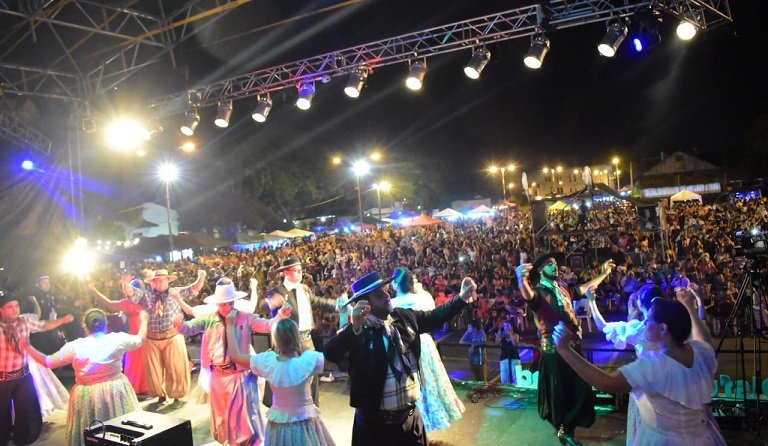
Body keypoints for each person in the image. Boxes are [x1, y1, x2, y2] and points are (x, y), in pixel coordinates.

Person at [323, 272, 477, 446]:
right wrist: (354, 327)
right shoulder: (357, 332)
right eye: (379, 295)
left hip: (410, 419)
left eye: (385, 290)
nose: (387, 296)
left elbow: (434, 317)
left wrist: (462, 297)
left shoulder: (403, 317)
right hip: (375, 429)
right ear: (364, 304)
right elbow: (330, 353)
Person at [552, 295, 726, 445]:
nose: (645, 323)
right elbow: (704, 339)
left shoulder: (653, 365)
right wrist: (690, 308)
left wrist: (564, 349)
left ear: (663, 328)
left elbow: (606, 383)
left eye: (648, 320)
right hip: (704, 437)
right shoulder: (701, 352)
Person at [515, 253, 614, 446]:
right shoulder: (539, 291)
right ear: (540, 269)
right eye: (549, 264)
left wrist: (603, 274)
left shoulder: (563, 288)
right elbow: (529, 296)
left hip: (573, 346)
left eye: (555, 263)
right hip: (554, 350)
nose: (555, 266)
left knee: (582, 387)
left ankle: (566, 427)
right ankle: (565, 429)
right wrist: (521, 280)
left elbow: (584, 288)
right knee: (561, 392)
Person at [173, 278, 287, 446]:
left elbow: (266, 325)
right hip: (218, 375)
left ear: (234, 301)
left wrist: (279, 316)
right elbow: (190, 328)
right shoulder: (208, 318)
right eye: (222, 303)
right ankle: (228, 441)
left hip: (240, 375)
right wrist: (180, 326)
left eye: (229, 303)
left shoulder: (245, 317)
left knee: (244, 418)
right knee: (222, 416)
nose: (226, 307)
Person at [21, 307, 148, 446]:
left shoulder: (75, 346)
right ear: (106, 323)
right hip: (115, 391)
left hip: (87, 395)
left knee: (92, 436)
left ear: (85, 326)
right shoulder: (118, 339)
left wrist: (26, 346)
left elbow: (48, 362)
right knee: (121, 433)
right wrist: (144, 320)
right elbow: (140, 339)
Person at [227, 317, 336, 446]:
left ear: (276, 340)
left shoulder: (268, 362)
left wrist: (230, 326)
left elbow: (235, 356)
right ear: (297, 337)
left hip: (278, 428)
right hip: (304, 425)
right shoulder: (308, 360)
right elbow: (335, 359)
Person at [390, 267, 465, 432]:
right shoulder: (424, 298)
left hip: (406, 346)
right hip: (425, 343)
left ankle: (416, 422)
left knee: (412, 385)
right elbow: (434, 315)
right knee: (431, 382)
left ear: (395, 283)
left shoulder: (393, 304)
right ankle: (433, 418)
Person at [587, 284, 662, 445]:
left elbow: (603, 326)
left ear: (640, 304)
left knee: (643, 430)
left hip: (645, 388)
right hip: (668, 385)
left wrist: (591, 301)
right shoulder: (669, 326)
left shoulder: (639, 329)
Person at [121, 268, 206, 405]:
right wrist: (125, 283)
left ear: (168, 281)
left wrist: (201, 276)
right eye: (156, 280)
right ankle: (160, 395)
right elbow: (131, 293)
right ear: (152, 282)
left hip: (172, 336)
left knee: (176, 368)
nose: (159, 283)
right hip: (152, 339)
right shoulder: (146, 294)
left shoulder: (175, 292)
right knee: (153, 370)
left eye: (162, 280)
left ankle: (177, 397)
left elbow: (194, 289)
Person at [0, 290, 73, 446]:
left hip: (23, 375)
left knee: (26, 409)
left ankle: (24, 437)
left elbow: (44, 325)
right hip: (2, 379)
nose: (15, 309)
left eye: (16, 306)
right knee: (2, 412)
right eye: (10, 307)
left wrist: (62, 320)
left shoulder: (24, 322)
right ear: (1, 310)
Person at [265, 257, 336, 406]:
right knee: (291, 378)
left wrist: (335, 305)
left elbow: (317, 301)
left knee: (312, 376)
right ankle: (290, 408)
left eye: (300, 270)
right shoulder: (278, 291)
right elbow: (264, 305)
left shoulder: (304, 289)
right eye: (297, 270)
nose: (300, 273)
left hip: (307, 339)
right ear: (286, 272)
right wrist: (271, 303)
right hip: (288, 342)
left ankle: (313, 407)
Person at [88, 283, 148, 395]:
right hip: (139, 333)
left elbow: (109, 304)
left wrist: (95, 292)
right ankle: (142, 387)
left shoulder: (143, 301)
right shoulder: (131, 303)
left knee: (141, 361)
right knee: (138, 360)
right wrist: (95, 292)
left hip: (143, 333)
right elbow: (109, 304)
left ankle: (142, 387)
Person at [26, 276, 66, 354]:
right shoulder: (34, 297)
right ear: (37, 285)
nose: (47, 284)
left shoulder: (49, 296)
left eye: (48, 282)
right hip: (40, 331)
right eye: (44, 282)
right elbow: (35, 316)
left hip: (50, 329)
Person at [496, 321, 522, 385]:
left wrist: (509, 334)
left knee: (516, 378)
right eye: (504, 326)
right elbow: (497, 343)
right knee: (504, 379)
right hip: (504, 358)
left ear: (511, 327)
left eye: (507, 326)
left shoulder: (516, 335)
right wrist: (499, 332)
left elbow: (515, 344)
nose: (506, 327)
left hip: (514, 358)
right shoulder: (502, 337)